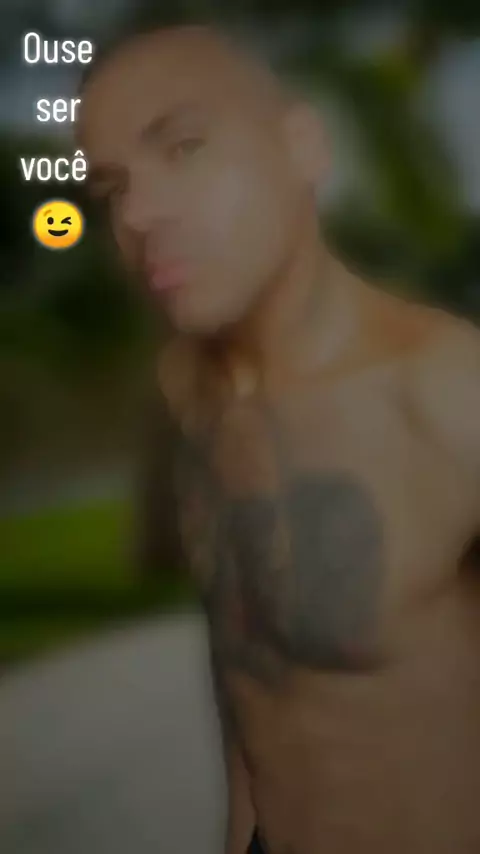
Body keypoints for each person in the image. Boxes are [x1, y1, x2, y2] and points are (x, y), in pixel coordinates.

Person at [78, 22, 480, 854]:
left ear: (303, 146)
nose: (138, 215)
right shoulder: (190, 390)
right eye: (113, 188)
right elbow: (251, 671)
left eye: (183, 148)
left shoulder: (449, 396)